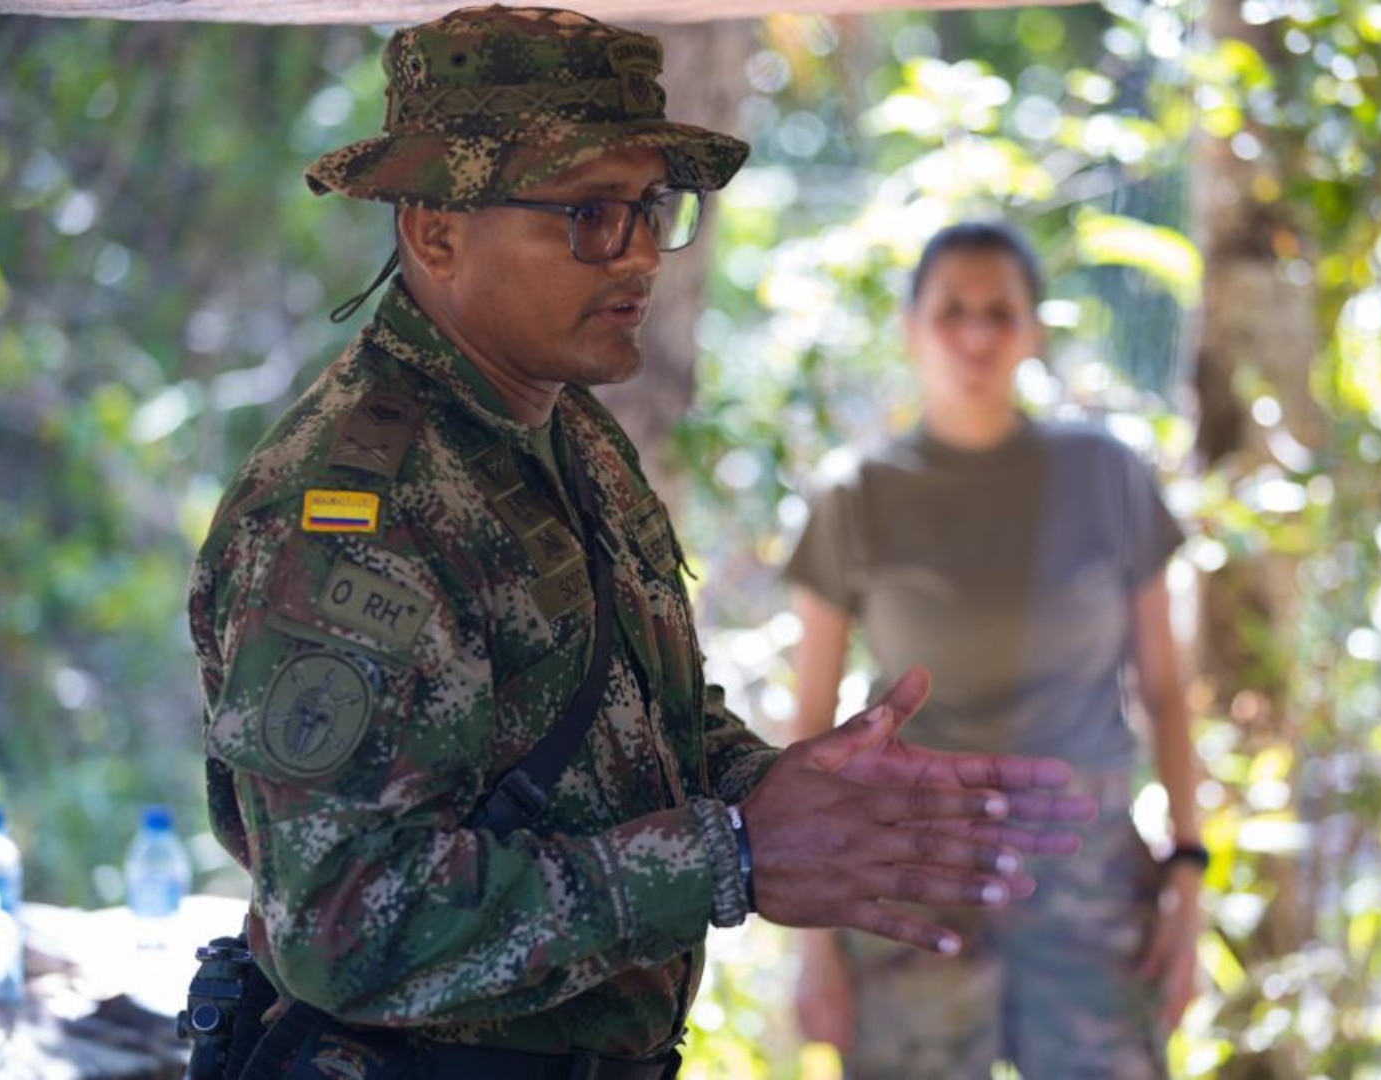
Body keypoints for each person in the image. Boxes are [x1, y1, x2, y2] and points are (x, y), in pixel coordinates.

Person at [187, 9, 1097, 1079]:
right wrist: (727, 855)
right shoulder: (351, 509)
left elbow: (619, 721)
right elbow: (346, 925)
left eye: (648, 208)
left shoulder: (560, 425)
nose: (633, 255)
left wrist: (779, 790)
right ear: (434, 230)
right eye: (584, 214)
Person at [786, 221, 1204, 1079]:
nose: (975, 335)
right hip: (913, 874)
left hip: (1088, 880)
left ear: (1032, 329)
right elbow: (812, 734)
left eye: (999, 312)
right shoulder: (856, 495)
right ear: (909, 329)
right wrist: (814, 945)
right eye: (951, 312)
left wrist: (1187, 879)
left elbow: (1164, 687)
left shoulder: (1106, 473)